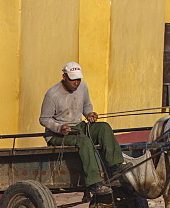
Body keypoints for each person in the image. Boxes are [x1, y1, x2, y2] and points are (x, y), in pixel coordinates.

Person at [39, 61, 127, 195]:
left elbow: (86, 105)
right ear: (64, 77)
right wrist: (59, 127)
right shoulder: (52, 94)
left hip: (78, 126)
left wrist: (89, 114)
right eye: (73, 80)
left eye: (78, 79)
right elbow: (44, 119)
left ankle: (116, 166)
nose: (76, 83)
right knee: (84, 141)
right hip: (58, 134)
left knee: (104, 128)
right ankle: (94, 183)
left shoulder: (83, 87)